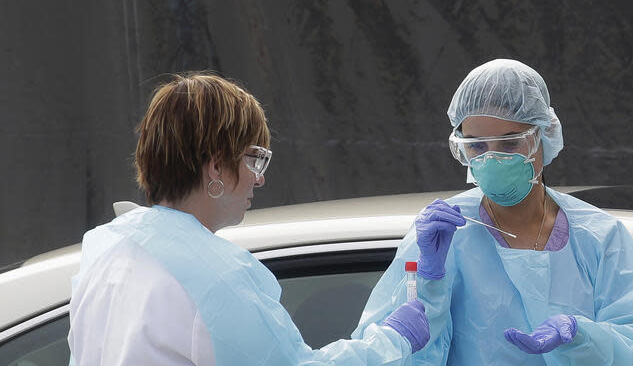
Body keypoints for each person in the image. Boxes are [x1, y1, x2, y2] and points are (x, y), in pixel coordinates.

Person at [67, 73, 429, 365]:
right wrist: (392, 341)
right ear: (215, 167)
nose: (260, 177)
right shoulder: (212, 275)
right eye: (254, 159)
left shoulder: (107, 249)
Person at [352, 59, 633, 364]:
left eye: (510, 143)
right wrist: (427, 283)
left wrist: (582, 336)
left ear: (543, 135)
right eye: (477, 146)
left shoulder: (599, 238)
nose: (492, 160)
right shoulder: (443, 236)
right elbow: (392, 352)